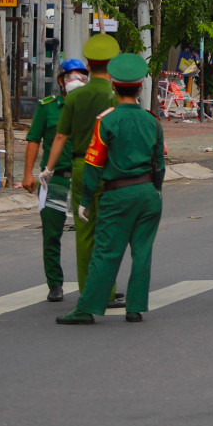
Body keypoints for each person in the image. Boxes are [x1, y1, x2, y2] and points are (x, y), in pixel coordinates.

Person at [58, 54, 165, 324]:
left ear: (114, 87)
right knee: (142, 251)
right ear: (140, 87)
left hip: (117, 194)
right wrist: (157, 190)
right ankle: (135, 307)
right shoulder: (152, 120)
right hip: (148, 194)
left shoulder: (106, 120)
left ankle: (86, 309)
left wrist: (84, 200)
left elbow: (93, 164)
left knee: (106, 251)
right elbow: (160, 163)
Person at [44, 33, 121, 300]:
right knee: (107, 231)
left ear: (88, 64)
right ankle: (108, 291)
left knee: (85, 231)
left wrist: (49, 169)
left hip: (81, 167)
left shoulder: (74, 98)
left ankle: (89, 292)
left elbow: (61, 136)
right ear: (111, 64)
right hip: (110, 170)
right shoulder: (114, 97)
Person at [22, 58, 87, 302]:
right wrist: (28, 173)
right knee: (52, 234)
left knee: (89, 233)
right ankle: (55, 283)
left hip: (82, 178)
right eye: (72, 75)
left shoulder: (90, 105)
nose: (78, 80)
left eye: (82, 75)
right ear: (61, 81)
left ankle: (92, 282)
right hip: (55, 179)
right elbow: (33, 139)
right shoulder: (47, 107)